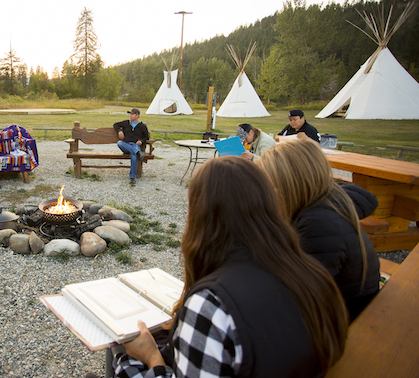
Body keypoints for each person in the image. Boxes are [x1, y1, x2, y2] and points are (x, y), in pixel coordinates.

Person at [112, 156, 348, 378]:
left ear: (200, 217)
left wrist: (152, 358)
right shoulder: (312, 273)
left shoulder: (211, 305)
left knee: (122, 354)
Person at [256, 138, 380, 321]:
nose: (268, 194)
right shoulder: (328, 203)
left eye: (271, 186)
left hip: (344, 318)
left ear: (289, 184)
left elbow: (296, 296)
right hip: (348, 304)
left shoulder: (318, 225)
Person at [113, 108, 149, 184]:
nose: (130, 116)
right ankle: (138, 152)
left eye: (132, 114)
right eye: (130, 114)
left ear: (137, 115)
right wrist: (120, 131)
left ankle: (132, 178)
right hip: (126, 145)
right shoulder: (126, 123)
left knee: (134, 155)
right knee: (119, 143)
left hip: (135, 145)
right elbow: (115, 124)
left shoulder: (142, 126)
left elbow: (146, 137)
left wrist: (141, 141)